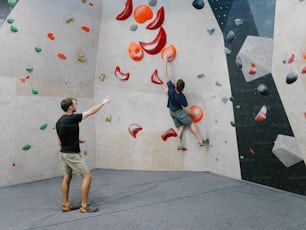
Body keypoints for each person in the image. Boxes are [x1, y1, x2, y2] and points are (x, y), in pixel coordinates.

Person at [56, 96, 110, 213]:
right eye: (75, 104)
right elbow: (91, 112)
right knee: (88, 176)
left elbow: (59, 140)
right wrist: (102, 103)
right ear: (70, 107)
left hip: (64, 153)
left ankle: (66, 205)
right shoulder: (73, 118)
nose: (76, 106)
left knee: (67, 177)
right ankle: (84, 205)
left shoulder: (59, 121)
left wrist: (74, 140)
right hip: (72, 154)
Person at [164, 61, 208, 150]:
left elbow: (165, 75)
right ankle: (200, 140)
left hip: (171, 111)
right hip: (178, 112)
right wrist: (195, 115)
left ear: (175, 85)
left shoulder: (171, 89)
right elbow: (188, 110)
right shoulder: (182, 97)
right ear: (182, 89)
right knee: (191, 123)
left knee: (181, 126)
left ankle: (179, 144)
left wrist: (165, 61)